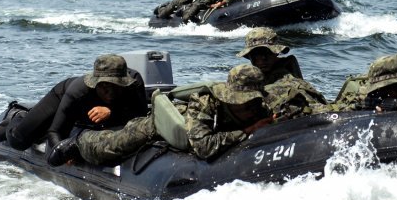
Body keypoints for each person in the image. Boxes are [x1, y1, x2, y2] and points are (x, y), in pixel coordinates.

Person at [48, 64, 273, 166]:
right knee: (111, 146)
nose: (249, 108)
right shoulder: (204, 104)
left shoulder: (262, 106)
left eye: (252, 102)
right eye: (242, 102)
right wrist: (246, 132)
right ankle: (78, 142)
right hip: (159, 126)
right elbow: (203, 146)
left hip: (196, 132)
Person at [0, 54, 147, 152]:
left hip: (100, 114)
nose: (110, 93)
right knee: (18, 141)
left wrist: (111, 111)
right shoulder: (78, 91)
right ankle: (17, 116)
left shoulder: (134, 83)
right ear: (95, 84)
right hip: (62, 97)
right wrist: (62, 151)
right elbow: (55, 132)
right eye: (105, 86)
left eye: (116, 86)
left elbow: (140, 116)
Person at [236, 27, 327, 118]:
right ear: (249, 56)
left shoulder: (286, 80)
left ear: (276, 52)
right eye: (256, 54)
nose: (262, 59)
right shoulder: (253, 81)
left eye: (267, 53)